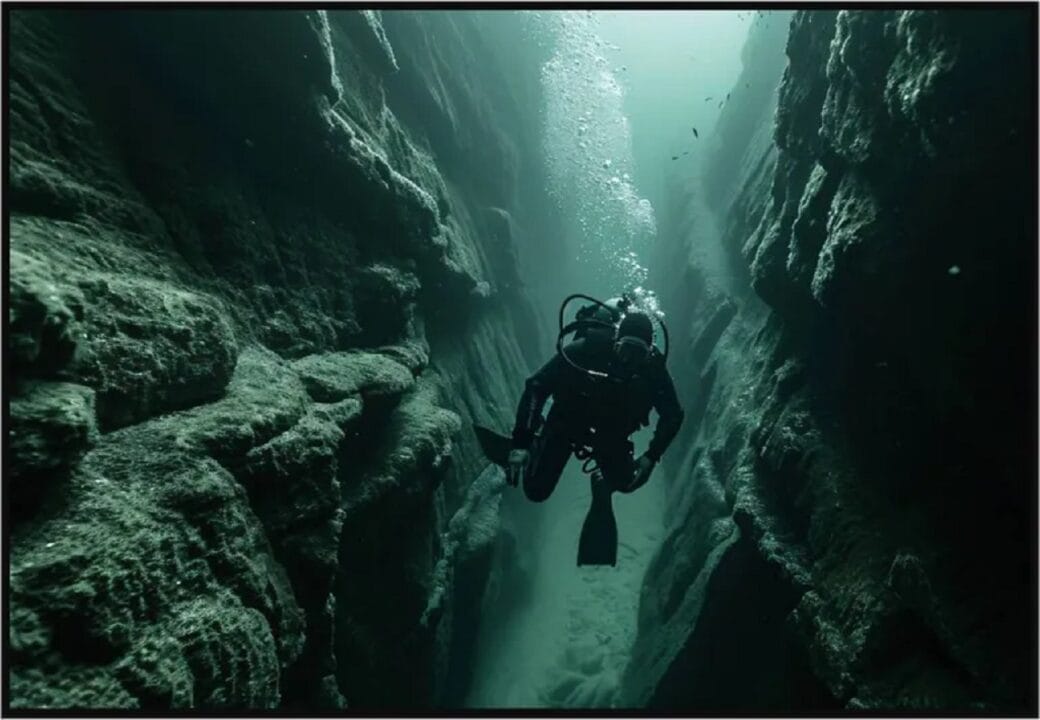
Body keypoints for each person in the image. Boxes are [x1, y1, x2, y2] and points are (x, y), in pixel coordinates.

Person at [507, 309, 684, 501]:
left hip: (611, 433)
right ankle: (538, 438)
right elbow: (537, 386)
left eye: (638, 354)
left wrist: (651, 457)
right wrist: (521, 442)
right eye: (626, 350)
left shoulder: (653, 372)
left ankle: (600, 484)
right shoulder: (585, 351)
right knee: (535, 491)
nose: (629, 361)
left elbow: (673, 414)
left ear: (649, 354)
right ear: (615, 343)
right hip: (566, 422)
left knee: (627, 483)